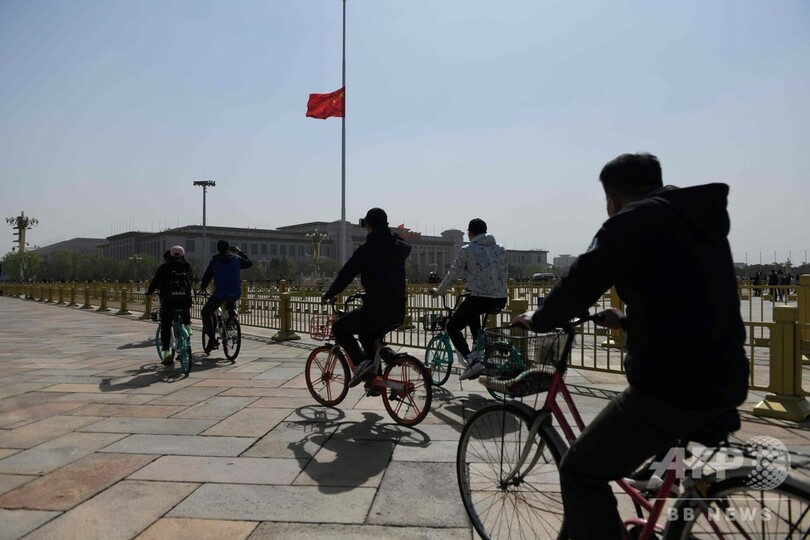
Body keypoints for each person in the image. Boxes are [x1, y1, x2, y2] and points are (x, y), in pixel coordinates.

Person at [512, 153, 749, 540]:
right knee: (649, 461)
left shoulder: (632, 220)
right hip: (727, 374)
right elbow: (686, 301)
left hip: (672, 386)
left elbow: (581, 280)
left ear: (612, 199)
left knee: (579, 471)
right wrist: (625, 322)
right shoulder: (693, 218)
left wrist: (538, 319)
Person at [321, 207, 412, 391]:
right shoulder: (399, 247)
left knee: (339, 328)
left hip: (376, 310)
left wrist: (329, 294)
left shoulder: (366, 250)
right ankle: (375, 382)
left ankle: (362, 364)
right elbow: (404, 245)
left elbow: (345, 275)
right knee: (366, 335)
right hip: (398, 311)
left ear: (368, 226)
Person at [429, 218, 508, 380]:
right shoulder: (500, 249)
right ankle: (478, 345)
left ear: (470, 233)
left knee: (452, 327)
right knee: (472, 311)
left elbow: (453, 272)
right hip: (500, 299)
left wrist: (439, 291)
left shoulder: (468, 250)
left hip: (480, 298)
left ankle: (472, 361)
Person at [198, 240, 253, 354]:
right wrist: (239, 252)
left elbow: (207, 276)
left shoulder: (215, 261)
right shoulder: (237, 259)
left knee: (206, 312)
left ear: (218, 249)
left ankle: (212, 340)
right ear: (229, 248)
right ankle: (231, 322)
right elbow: (249, 263)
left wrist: (202, 288)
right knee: (230, 304)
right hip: (235, 293)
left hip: (220, 294)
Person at [145, 245, 193, 366]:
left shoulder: (165, 267)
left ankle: (166, 352)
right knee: (185, 309)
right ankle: (187, 326)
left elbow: (155, 280)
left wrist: (149, 292)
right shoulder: (187, 266)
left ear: (170, 255)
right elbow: (190, 281)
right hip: (185, 300)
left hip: (169, 301)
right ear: (183, 255)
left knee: (166, 326)